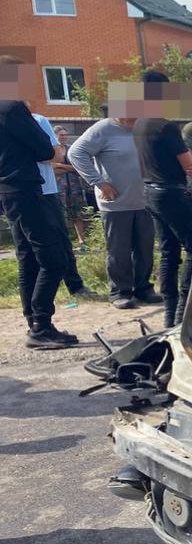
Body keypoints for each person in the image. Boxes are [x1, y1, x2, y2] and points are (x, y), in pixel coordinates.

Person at [0, 54, 75, 347]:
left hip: (8, 190)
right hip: (25, 189)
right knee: (53, 259)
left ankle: (34, 321)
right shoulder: (13, 107)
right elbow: (46, 151)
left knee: (28, 257)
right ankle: (41, 326)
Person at [133, 70, 192, 328]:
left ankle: (169, 314)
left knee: (168, 252)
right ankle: (183, 314)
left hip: (151, 193)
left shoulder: (140, 123)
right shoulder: (166, 127)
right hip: (173, 193)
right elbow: (190, 166)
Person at [68, 115, 159, 309]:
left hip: (145, 200)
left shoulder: (144, 127)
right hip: (116, 202)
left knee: (145, 249)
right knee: (119, 250)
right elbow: (76, 153)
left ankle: (143, 288)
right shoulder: (103, 129)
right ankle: (120, 292)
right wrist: (99, 182)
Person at [31, 110, 91, 299]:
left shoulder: (37, 120)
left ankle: (75, 286)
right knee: (30, 249)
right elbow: (55, 157)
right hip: (31, 193)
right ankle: (37, 295)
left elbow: (55, 156)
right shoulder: (33, 120)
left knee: (62, 242)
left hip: (45, 190)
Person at [52, 125, 89, 249]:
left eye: (65, 135)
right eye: (61, 135)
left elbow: (79, 168)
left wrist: (60, 166)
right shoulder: (52, 151)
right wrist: (69, 168)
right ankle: (63, 243)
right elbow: (51, 169)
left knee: (77, 214)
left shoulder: (72, 149)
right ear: (55, 136)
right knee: (60, 215)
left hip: (75, 187)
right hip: (58, 187)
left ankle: (82, 242)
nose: (64, 137)